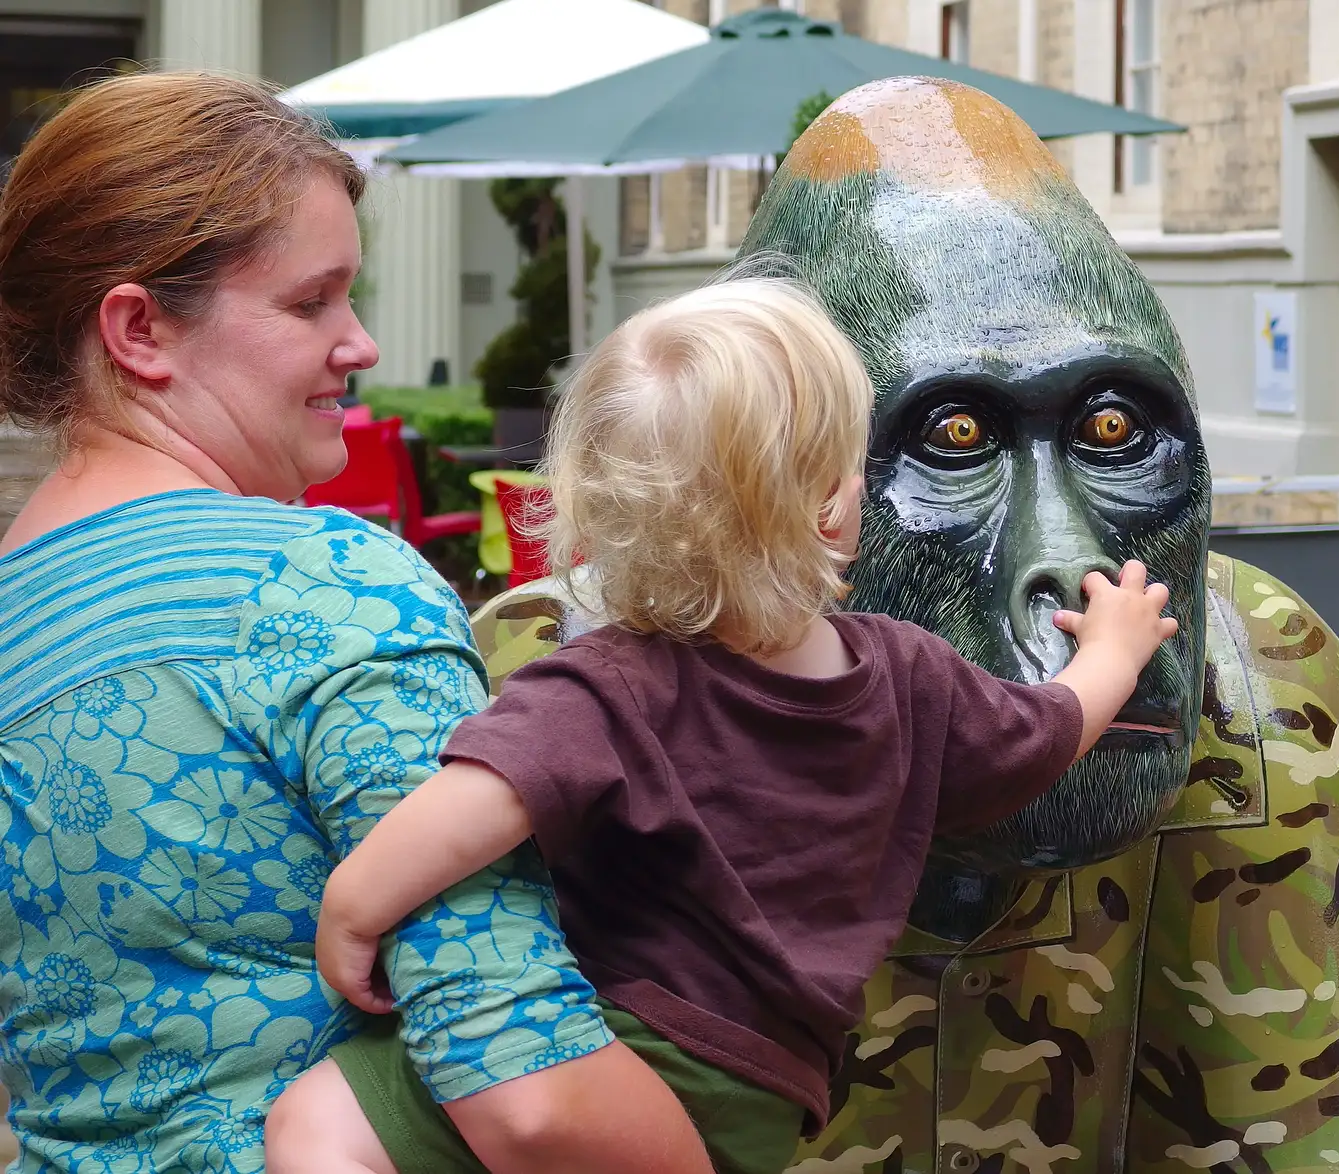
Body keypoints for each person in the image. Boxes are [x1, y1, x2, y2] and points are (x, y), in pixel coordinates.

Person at [267, 277, 1179, 1174]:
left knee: (317, 1123)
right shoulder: (909, 676)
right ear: (830, 507)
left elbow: (473, 806)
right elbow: (1047, 733)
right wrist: (1113, 649)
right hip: (762, 1101)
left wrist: (353, 910)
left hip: (616, 1047)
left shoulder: (603, 689)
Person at [0, 71, 709, 1174]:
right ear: (140, 329)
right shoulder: (328, 588)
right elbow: (527, 1089)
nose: (363, 344)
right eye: (309, 301)